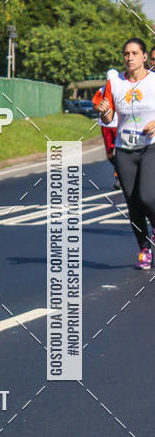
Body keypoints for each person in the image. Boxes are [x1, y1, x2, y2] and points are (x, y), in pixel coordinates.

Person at [95, 38, 155, 269]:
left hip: (150, 146)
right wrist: (104, 111)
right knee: (132, 203)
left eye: (134, 53)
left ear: (144, 57)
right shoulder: (115, 82)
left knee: (147, 196)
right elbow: (109, 117)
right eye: (126, 54)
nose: (129, 58)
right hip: (125, 149)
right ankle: (144, 249)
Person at [92, 72, 120, 190]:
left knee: (121, 152)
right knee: (110, 154)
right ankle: (121, 170)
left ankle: (119, 175)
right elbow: (95, 104)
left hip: (119, 125)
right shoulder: (102, 90)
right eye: (109, 81)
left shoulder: (122, 89)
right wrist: (101, 108)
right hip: (106, 125)